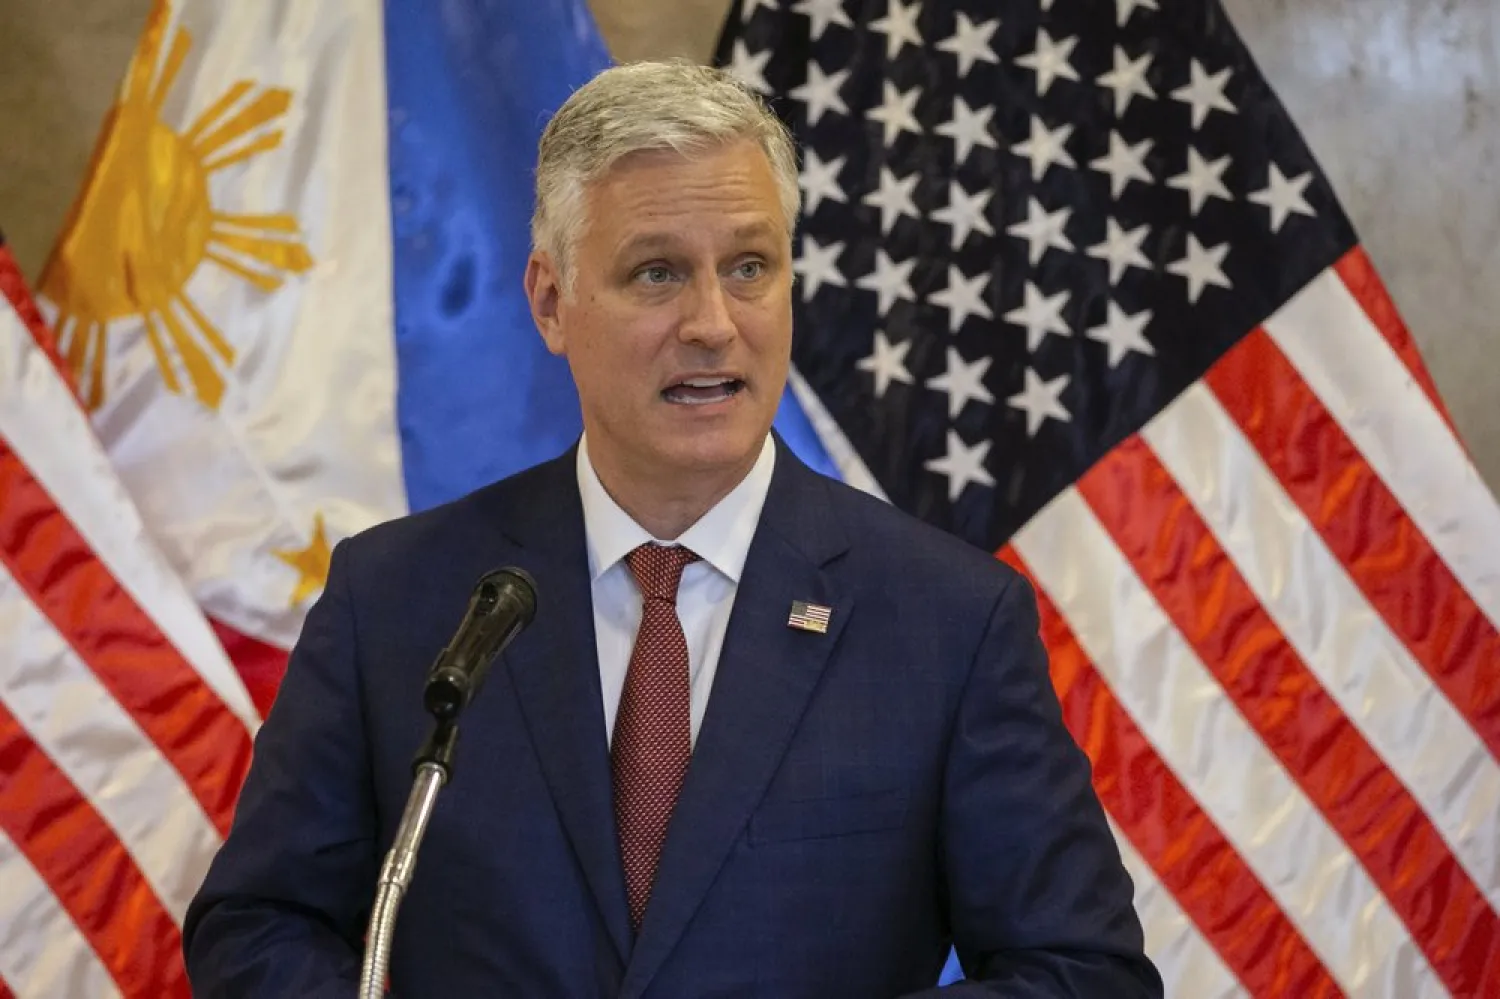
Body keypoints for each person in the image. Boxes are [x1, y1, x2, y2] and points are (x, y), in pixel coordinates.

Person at [183, 60, 1163, 998]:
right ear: (552, 301)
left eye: (749, 267)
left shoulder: (947, 621)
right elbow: (261, 921)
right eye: (657, 274)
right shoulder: (396, 598)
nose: (712, 322)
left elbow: (1083, 972)